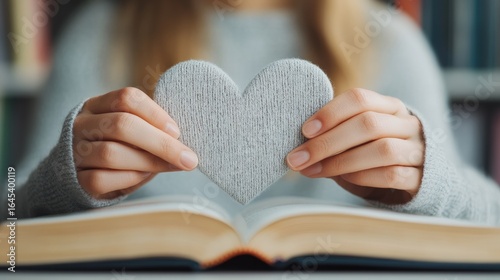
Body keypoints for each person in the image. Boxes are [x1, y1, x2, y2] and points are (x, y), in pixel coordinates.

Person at [2, 0, 500, 225]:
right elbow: (7, 222)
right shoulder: (100, 34)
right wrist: (59, 182)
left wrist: (432, 184)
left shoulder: (391, 42)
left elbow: (489, 216)